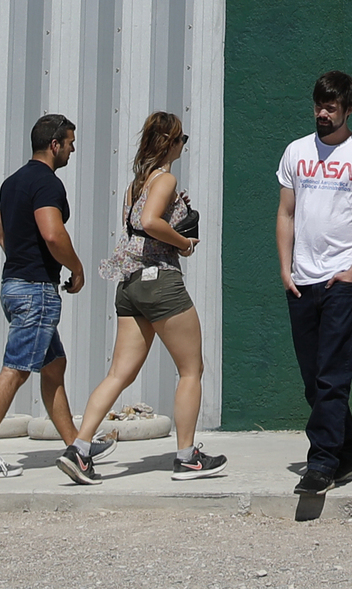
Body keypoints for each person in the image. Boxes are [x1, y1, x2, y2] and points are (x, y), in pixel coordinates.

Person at [70, 110, 228, 479]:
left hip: (129, 283)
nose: (183, 145)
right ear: (169, 142)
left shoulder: (137, 183)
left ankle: (79, 449)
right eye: (181, 140)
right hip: (159, 280)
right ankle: (187, 456)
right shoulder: (166, 178)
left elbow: (142, 220)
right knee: (191, 370)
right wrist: (184, 242)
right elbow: (150, 223)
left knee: (118, 374)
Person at [0, 113, 91, 481]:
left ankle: (76, 445)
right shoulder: (48, 184)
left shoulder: (12, 182)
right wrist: (76, 268)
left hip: (14, 285)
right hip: (36, 291)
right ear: (54, 145)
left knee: (53, 366)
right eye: (69, 143)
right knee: (17, 369)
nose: (71, 150)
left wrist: (22, 262)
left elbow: (2, 234)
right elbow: (52, 234)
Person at [279, 70, 352, 495]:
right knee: (312, 378)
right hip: (300, 279)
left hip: (343, 278)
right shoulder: (296, 151)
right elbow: (286, 212)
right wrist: (285, 267)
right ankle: (349, 447)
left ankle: (321, 462)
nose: (323, 114)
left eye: (331, 107)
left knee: (332, 375)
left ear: (348, 109)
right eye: (319, 105)